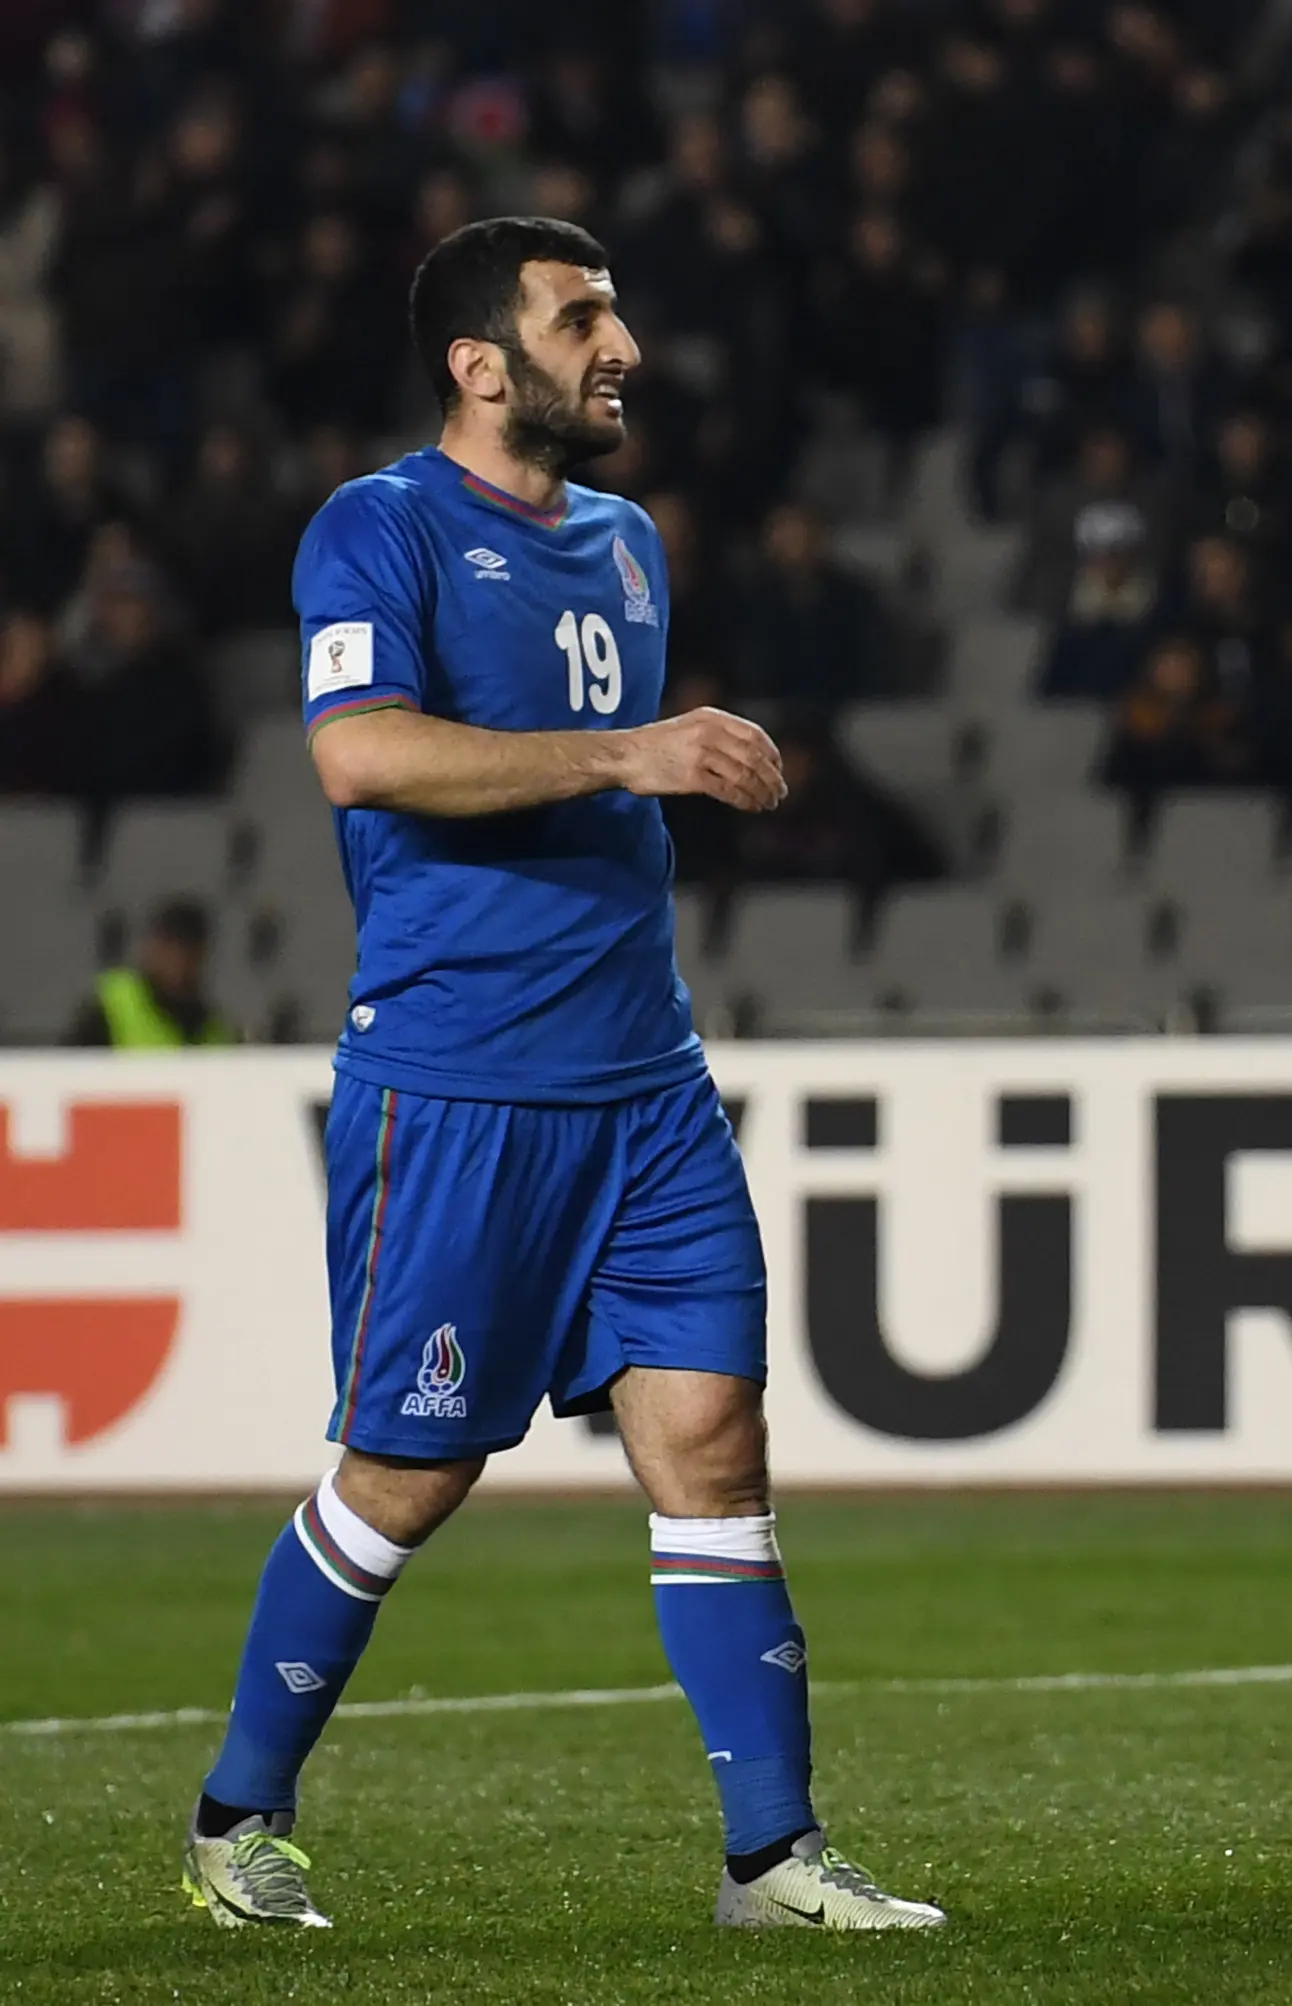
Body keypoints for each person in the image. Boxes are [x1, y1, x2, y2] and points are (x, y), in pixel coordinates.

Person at [178, 216, 940, 1933]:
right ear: (479, 362)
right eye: (581, 319)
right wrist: (631, 750)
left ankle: (772, 1857)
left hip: (645, 1090)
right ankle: (238, 1816)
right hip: (459, 1089)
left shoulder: (623, 540)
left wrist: (660, 770)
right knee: (406, 1476)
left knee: (715, 1442)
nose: (623, 349)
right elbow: (358, 753)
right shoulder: (379, 529)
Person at [67, 897, 236, 1047]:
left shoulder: (217, 1031)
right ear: (151, 948)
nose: (179, 962)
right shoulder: (111, 1007)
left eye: (188, 951)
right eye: (170, 948)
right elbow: (68, 1069)